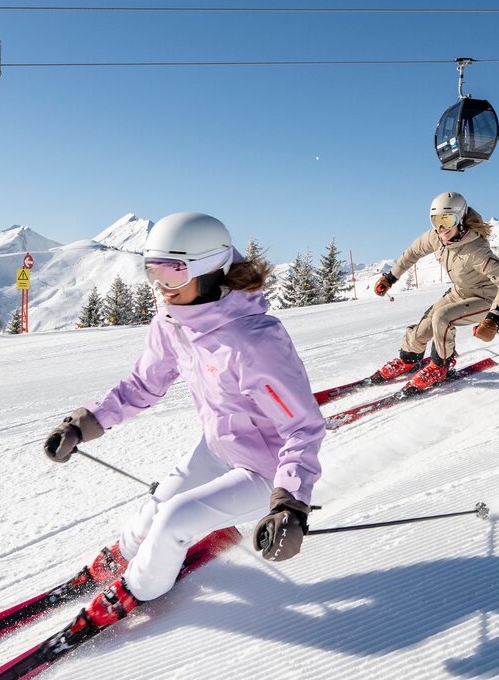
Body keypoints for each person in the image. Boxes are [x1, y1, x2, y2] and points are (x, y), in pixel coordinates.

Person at [41, 212, 325, 628]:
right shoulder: (172, 323)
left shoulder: (254, 340)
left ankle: (135, 590)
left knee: (176, 520)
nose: (162, 286)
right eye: (153, 271)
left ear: (211, 270)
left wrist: (290, 503)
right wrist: (82, 424)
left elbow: (302, 427)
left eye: (173, 272)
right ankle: (123, 556)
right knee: (153, 511)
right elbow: (142, 384)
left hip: (266, 469)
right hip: (218, 448)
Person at [371, 191, 499, 390]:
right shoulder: (436, 237)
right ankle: (408, 359)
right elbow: (412, 252)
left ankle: (441, 367)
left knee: (442, 318)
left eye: (448, 220)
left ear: (461, 219)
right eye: (436, 221)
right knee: (422, 329)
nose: (441, 228)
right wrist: (390, 277)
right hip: (460, 291)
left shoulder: (475, 249)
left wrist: (495, 317)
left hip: (486, 298)